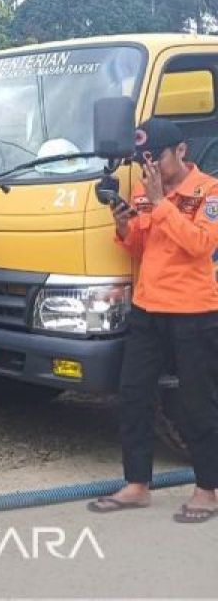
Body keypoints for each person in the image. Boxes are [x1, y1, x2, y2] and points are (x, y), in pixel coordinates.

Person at [87, 118, 218, 523]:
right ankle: (137, 484)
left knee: (197, 402)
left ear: (180, 151)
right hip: (148, 308)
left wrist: (161, 204)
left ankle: (207, 489)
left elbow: (200, 245)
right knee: (134, 394)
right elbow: (141, 245)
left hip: (194, 312)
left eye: (156, 159)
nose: (150, 170)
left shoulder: (208, 191)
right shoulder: (146, 191)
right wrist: (124, 223)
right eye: (143, 162)